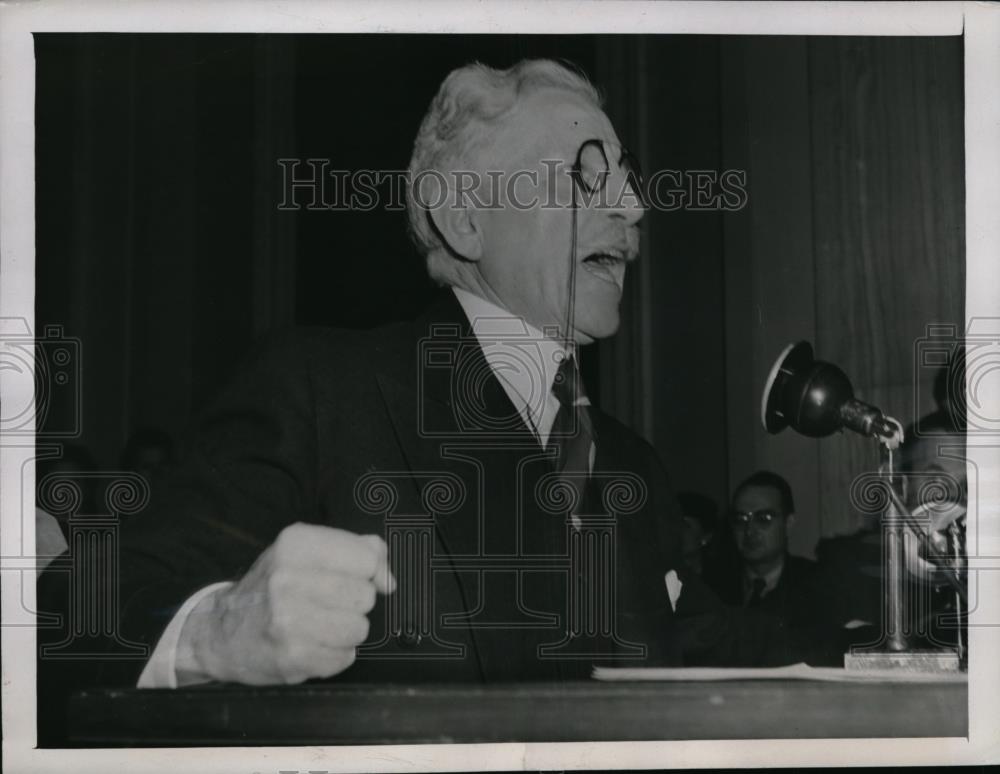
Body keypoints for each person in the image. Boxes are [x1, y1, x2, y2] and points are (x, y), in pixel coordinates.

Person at [38, 61, 799, 742]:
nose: (633, 206)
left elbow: (722, 649)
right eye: (583, 176)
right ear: (464, 217)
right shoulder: (322, 387)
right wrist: (215, 632)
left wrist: (900, 617)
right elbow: (73, 618)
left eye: (626, 176)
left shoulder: (633, 464)